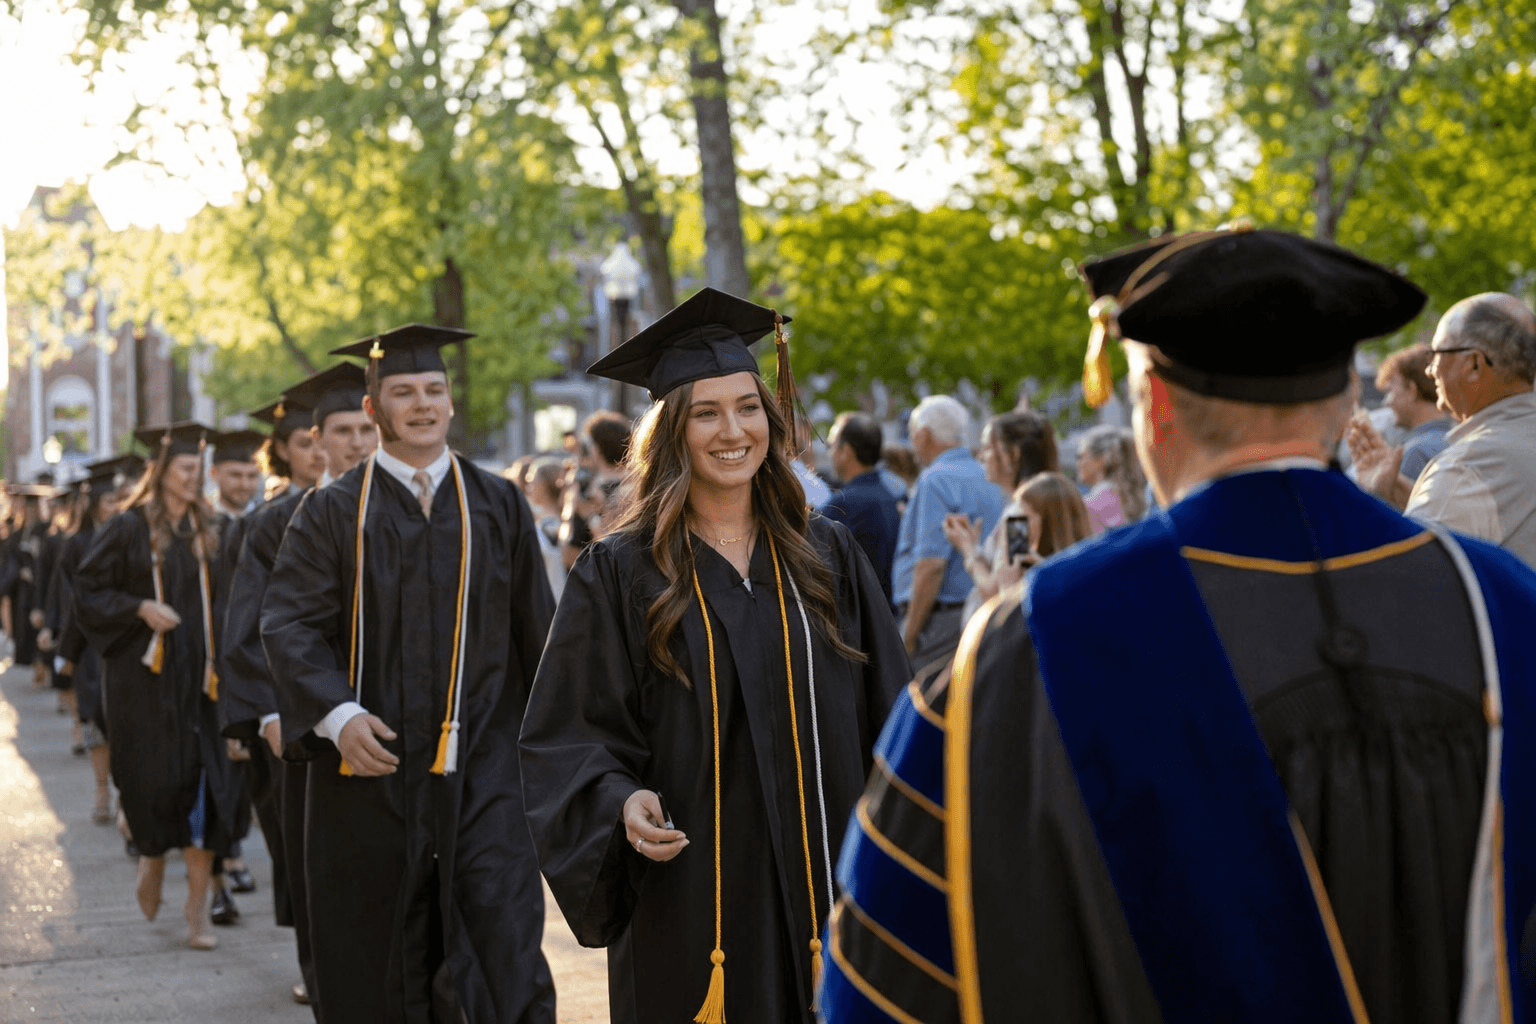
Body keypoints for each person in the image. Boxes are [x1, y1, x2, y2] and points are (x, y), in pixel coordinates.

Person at [822, 227, 1536, 1022]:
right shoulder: (1507, 608)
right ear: (1342, 404)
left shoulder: (1029, 648)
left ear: (1152, 406)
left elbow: (884, 981)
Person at [519, 288, 910, 1024]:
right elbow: (568, 735)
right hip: (694, 895)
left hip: (833, 883)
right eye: (706, 412)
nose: (733, 430)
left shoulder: (827, 558)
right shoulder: (619, 573)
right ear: (672, 431)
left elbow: (892, 715)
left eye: (748, 406)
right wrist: (618, 801)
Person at [261, 325, 556, 1024]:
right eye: (403, 393)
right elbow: (289, 624)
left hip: (483, 772)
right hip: (372, 777)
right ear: (374, 410)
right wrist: (337, 715)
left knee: (502, 952)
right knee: (377, 965)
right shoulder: (332, 512)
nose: (422, 405)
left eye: (434, 390)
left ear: (452, 403)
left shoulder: (498, 504)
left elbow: (541, 637)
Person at [221, 363, 374, 1011]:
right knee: (317, 862)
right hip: (308, 720)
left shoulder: (416, 509)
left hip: (393, 717)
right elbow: (254, 625)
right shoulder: (277, 521)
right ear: (310, 441)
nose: (352, 444)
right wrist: (264, 714)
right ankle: (324, 972)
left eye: (366, 429)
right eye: (337, 432)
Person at [73, 423, 242, 951]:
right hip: (145, 685)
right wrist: (138, 607)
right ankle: (151, 856)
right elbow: (88, 589)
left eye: (198, 470)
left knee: (208, 791)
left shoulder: (210, 528)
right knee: (149, 786)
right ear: (162, 470)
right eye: (186, 469)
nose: (195, 479)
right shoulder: (128, 529)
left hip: (203, 683)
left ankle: (197, 910)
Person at [1350, 293, 1536, 569]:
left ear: (1473, 365)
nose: (1430, 370)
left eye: (1436, 354)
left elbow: (1409, 574)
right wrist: (1399, 491)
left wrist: (1373, 503)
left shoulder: (1468, 466)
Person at [49, 456, 138, 823]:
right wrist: (64, 648)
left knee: (127, 725)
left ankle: (126, 795)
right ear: (95, 506)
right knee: (97, 723)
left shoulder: (133, 536)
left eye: (120, 500)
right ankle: (102, 788)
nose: (116, 507)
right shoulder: (76, 544)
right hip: (90, 647)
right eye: (109, 502)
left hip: (127, 642)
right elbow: (73, 601)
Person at [891, 396, 1004, 666]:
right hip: (981, 612)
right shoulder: (987, 477)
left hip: (940, 622)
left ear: (923, 435)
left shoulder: (935, 479)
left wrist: (909, 635)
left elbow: (931, 567)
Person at [941, 410, 1059, 618]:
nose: (980, 456)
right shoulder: (1046, 500)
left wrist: (967, 549)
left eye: (987, 447)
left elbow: (1003, 591)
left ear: (1012, 454)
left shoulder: (1018, 517)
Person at [820, 412, 901, 604]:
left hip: (857, 620)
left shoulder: (843, 505)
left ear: (846, 451)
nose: (829, 452)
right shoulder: (889, 495)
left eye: (831, 445)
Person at [558, 409, 632, 568]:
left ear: (596, 449)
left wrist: (578, 511)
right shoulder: (644, 486)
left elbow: (569, 555)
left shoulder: (586, 492)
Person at [1374, 343, 1451, 480]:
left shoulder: (1415, 453)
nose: (1387, 402)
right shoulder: (1461, 441)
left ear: (1411, 390)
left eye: (1390, 390)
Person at [1076, 423, 1148, 531]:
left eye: (1081, 456)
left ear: (1101, 460)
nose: (1078, 463)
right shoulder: (1139, 499)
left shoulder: (1088, 506)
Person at [209, 430, 266, 518]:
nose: (245, 485)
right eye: (236, 475)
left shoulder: (269, 519)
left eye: (252, 476)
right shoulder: (199, 519)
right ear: (214, 474)